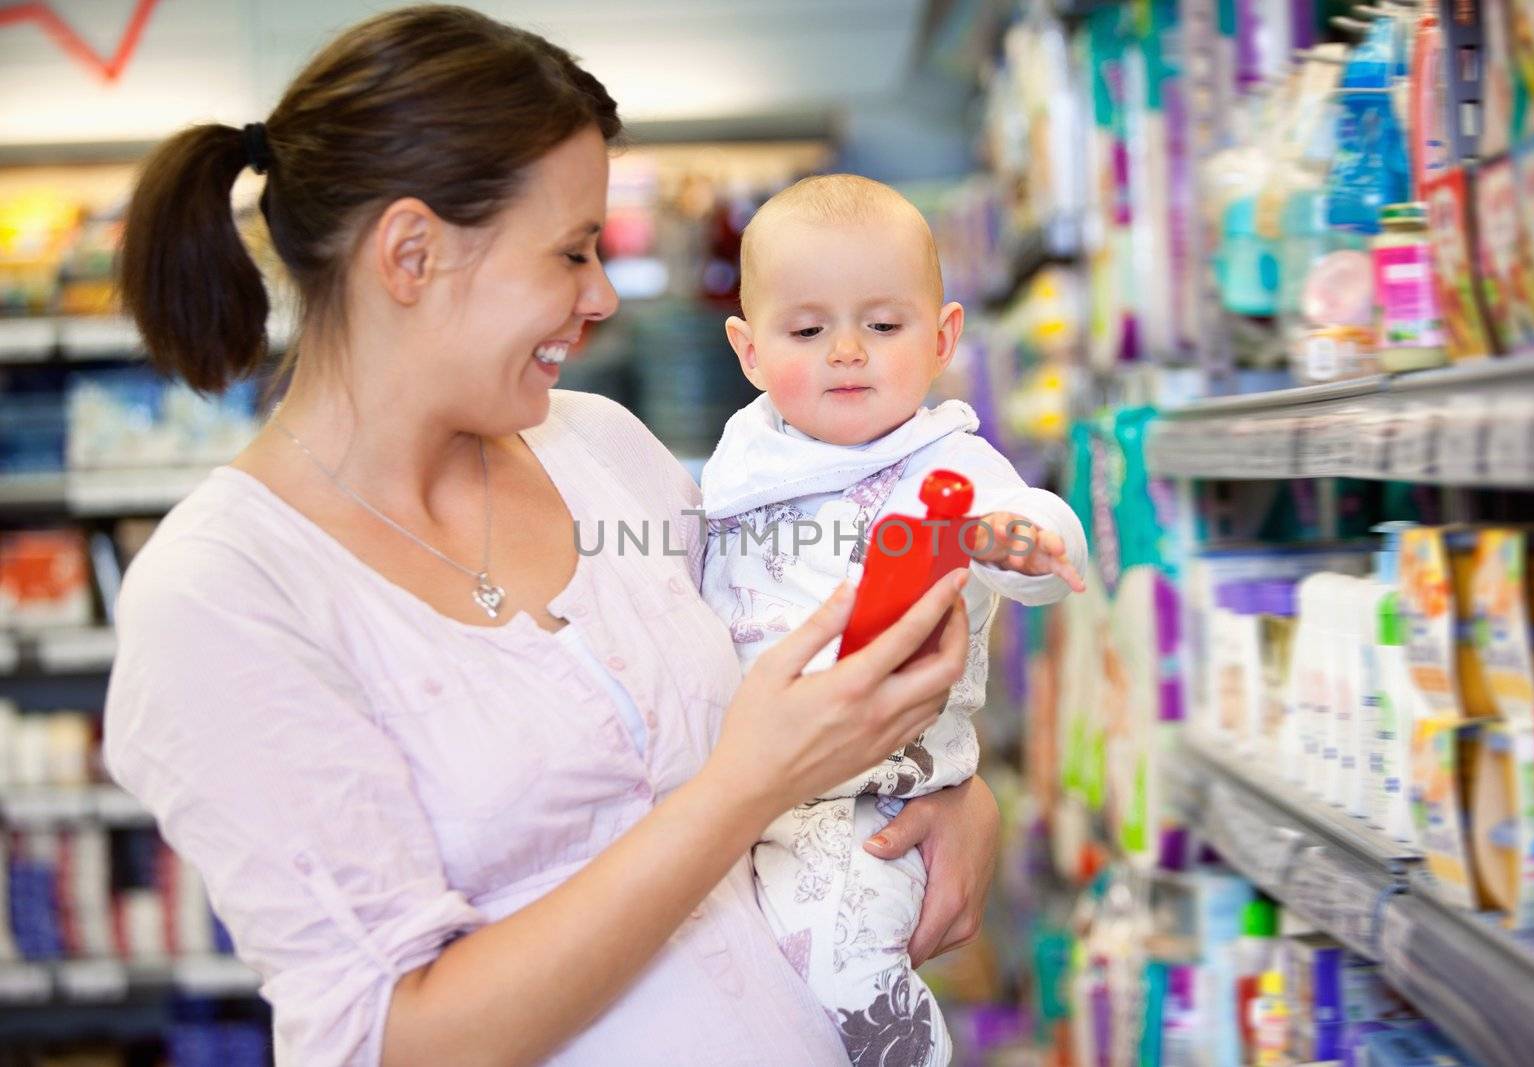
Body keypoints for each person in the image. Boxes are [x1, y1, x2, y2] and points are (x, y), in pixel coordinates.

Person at [103, 7, 1003, 1065]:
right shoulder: (224, 595)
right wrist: (743, 786)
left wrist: (949, 787)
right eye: (572, 251)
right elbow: (391, 1036)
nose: (602, 295)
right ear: (411, 251)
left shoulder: (601, 451)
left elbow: (788, 677)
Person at [697, 175, 1089, 1065]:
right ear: (749, 349)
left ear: (943, 337)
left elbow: (1041, 534)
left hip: (872, 798)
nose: (846, 351)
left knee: (845, 974)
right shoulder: (744, 454)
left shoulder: (946, 458)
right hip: (744, 792)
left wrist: (1018, 540)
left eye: (882, 325)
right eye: (806, 330)